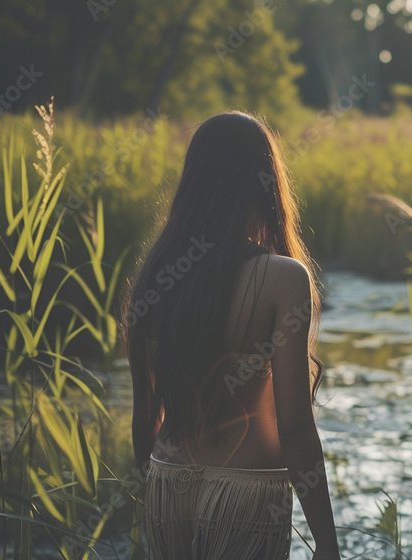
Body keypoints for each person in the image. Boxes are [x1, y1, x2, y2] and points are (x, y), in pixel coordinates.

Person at [123, 112, 340, 560]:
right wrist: (326, 540)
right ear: (265, 185)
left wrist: (154, 489)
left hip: (168, 482)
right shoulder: (283, 278)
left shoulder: (156, 273)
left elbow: (146, 414)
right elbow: (295, 425)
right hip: (247, 493)